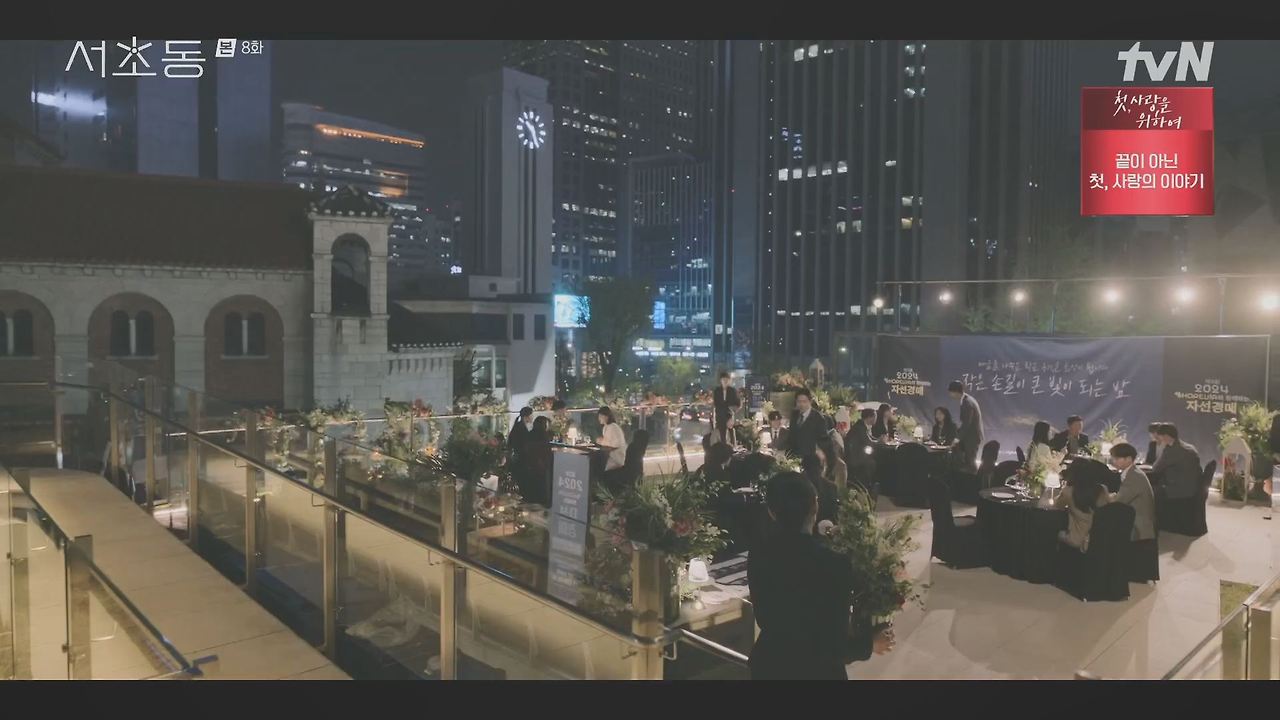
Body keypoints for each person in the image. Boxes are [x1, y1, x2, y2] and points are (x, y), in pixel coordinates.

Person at [748, 472, 894, 680]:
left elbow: (772, 620)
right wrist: (870, 644)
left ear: (771, 512)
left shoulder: (759, 554)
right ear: (815, 507)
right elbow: (833, 645)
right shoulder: (833, 563)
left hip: (770, 666)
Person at [1058, 461, 1112, 551]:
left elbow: (1057, 507)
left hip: (1077, 539)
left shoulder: (1068, 491)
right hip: (1098, 539)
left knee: (1055, 533)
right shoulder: (1102, 489)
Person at [1109, 442, 1156, 541]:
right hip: (1134, 517)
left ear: (1129, 459)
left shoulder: (1134, 477)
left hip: (1138, 526)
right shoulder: (1133, 472)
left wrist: (1104, 496)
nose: (1113, 461)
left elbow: (1119, 500)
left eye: (1116, 459)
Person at [1149, 423, 1201, 500]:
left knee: (1149, 490)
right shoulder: (1189, 447)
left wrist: (1164, 448)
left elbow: (1156, 468)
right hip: (1192, 488)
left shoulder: (1172, 451)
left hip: (1179, 491)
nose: (1159, 440)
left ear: (1166, 436)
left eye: (1159, 437)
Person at [517, 416, 553, 505]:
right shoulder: (543, 435)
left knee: (531, 488)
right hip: (540, 466)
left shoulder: (530, 434)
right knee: (540, 488)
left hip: (529, 465)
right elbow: (545, 450)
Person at [800, 454, 840, 532]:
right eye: (811, 471)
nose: (813, 474)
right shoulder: (799, 487)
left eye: (816, 470)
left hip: (825, 530)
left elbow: (834, 513)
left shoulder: (831, 487)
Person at [787, 388, 827, 460]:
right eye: (799, 401)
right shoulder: (794, 415)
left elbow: (823, 441)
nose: (801, 404)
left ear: (810, 401)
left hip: (811, 459)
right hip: (794, 457)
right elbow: (791, 436)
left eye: (804, 401)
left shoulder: (818, 418)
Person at [846, 408, 878, 489]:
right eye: (875, 416)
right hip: (856, 458)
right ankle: (867, 486)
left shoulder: (861, 426)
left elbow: (870, 438)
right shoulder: (859, 428)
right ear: (869, 417)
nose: (876, 419)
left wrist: (878, 440)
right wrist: (879, 442)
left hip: (857, 455)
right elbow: (868, 442)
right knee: (873, 462)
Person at [597, 406, 628, 471]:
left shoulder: (613, 427)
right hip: (610, 455)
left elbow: (616, 444)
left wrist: (602, 441)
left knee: (598, 464)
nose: (599, 418)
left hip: (616, 457)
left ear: (606, 416)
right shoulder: (606, 427)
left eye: (600, 416)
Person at [712, 371, 742, 437]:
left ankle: (732, 443)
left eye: (727, 380)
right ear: (721, 381)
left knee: (731, 434)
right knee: (722, 435)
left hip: (729, 416)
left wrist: (733, 412)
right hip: (720, 417)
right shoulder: (717, 391)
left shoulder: (733, 391)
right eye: (723, 380)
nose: (725, 381)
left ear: (729, 381)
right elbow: (715, 404)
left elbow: (739, 404)